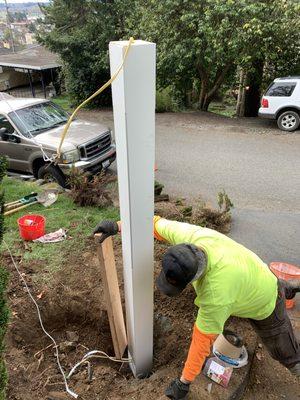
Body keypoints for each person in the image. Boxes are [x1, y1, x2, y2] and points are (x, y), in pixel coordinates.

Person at [93, 216, 300, 400]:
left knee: (285, 352)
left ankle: (295, 359)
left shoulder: (216, 294)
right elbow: (153, 223)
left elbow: (202, 342)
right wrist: (117, 226)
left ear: (195, 276)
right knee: (264, 283)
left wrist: (184, 383)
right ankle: (287, 287)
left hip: (265, 302)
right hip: (252, 270)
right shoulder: (190, 236)